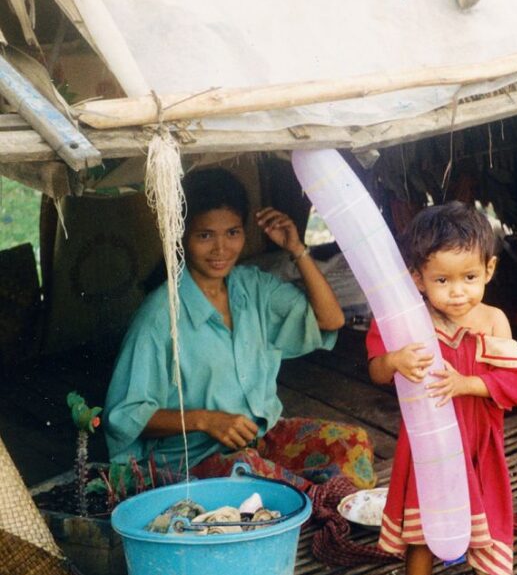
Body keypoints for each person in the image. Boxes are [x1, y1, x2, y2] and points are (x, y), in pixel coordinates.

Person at [104, 167, 376, 491]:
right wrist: (205, 420)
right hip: (188, 466)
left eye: (232, 232)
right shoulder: (159, 316)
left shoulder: (252, 287)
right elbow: (124, 416)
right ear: (181, 236)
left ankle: (329, 511)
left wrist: (297, 250)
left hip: (257, 442)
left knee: (350, 442)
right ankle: (321, 513)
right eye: (205, 235)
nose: (221, 249)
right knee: (267, 480)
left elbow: (331, 320)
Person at [366, 201, 517, 575]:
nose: (458, 292)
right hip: (429, 447)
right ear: (417, 279)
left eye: (469, 278)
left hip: (479, 441)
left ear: (490, 269)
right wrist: (394, 359)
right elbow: (375, 370)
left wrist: (468, 384)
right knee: (425, 529)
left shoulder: (492, 322)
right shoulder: (408, 320)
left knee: (484, 516)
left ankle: (482, 574)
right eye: (442, 280)